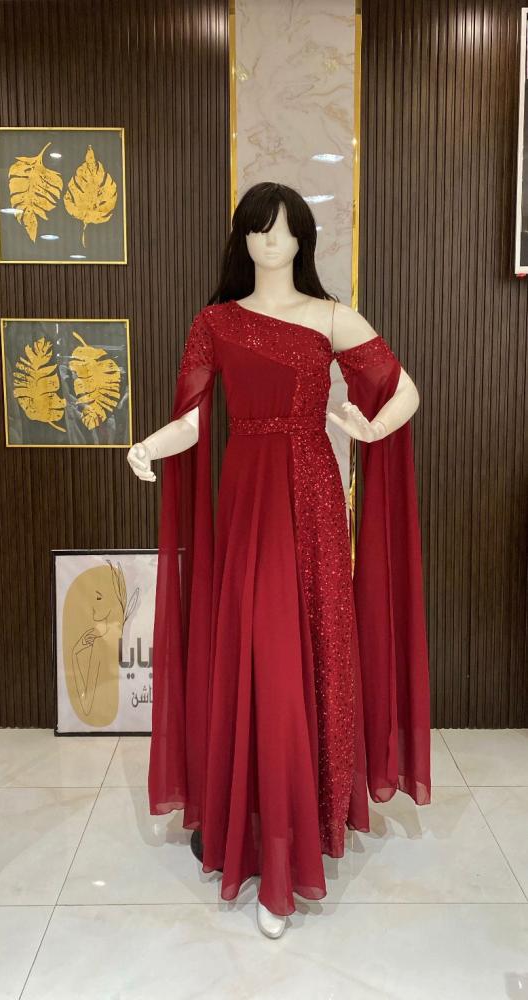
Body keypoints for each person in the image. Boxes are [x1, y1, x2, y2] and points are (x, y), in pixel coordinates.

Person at [127, 181, 431, 939]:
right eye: (257, 229)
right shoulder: (215, 322)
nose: (271, 241)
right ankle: (257, 831)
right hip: (248, 500)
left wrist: (371, 429)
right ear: (243, 239)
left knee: (314, 651)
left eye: (284, 228)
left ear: (302, 240)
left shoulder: (330, 317)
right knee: (259, 652)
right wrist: (147, 446)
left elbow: (405, 391)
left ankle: (297, 837)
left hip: (314, 498)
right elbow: (195, 421)